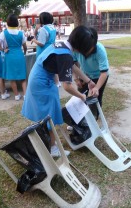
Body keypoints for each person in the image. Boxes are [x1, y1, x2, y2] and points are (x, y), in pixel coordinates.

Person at [21, 25, 97, 157]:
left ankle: (46, 143)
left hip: (38, 78)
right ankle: (52, 148)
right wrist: (81, 96)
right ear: (82, 47)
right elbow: (67, 86)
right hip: (42, 83)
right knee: (49, 116)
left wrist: (88, 81)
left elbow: (72, 66)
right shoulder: (65, 55)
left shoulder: (63, 45)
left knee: (47, 114)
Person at [73, 27, 110, 107]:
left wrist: (96, 87)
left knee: (95, 98)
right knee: (81, 97)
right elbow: (74, 64)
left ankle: (94, 117)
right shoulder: (77, 48)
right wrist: (76, 78)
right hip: (84, 75)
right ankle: (82, 118)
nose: (83, 51)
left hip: (99, 76)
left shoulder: (100, 50)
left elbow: (104, 73)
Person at [0, 13, 27, 101]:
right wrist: (24, 52)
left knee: (12, 78)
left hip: (9, 56)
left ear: (8, 22)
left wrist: (3, 49)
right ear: (16, 22)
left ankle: (16, 95)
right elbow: (25, 46)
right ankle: (25, 95)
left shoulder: (4, 33)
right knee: (22, 77)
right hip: (19, 55)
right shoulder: (21, 33)